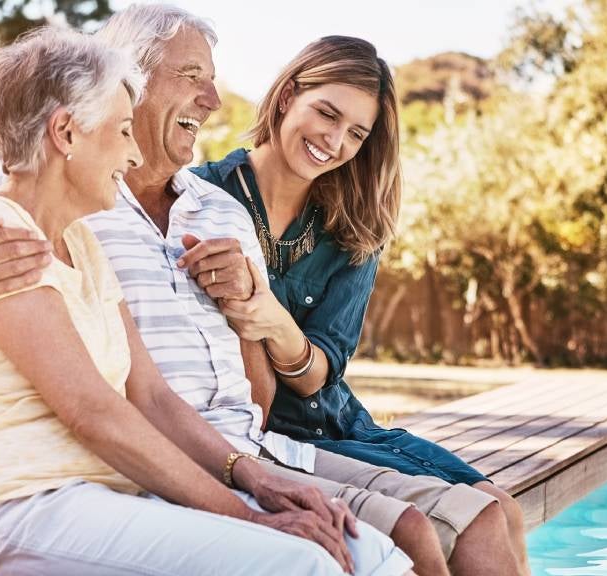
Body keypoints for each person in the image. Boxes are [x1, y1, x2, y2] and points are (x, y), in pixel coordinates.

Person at [0, 5, 522, 575]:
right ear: (93, 111)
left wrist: (252, 471)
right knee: (317, 558)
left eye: (357, 133)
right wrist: (251, 511)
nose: (213, 100)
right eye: (193, 77)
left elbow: (162, 395)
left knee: (385, 550)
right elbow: (95, 410)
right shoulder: (21, 207)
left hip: (171, 462)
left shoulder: (118, 230)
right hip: (16, 496)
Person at [187, 35, 530, 574]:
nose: (334, 141)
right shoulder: (200, 199)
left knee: (504, 509)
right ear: (286, 97)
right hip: (269, 436)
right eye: (326, 113)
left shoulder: (352, 226)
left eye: (356, 133)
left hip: (341, 422)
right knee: (480, 520)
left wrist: (273, 321)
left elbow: (320, 374)